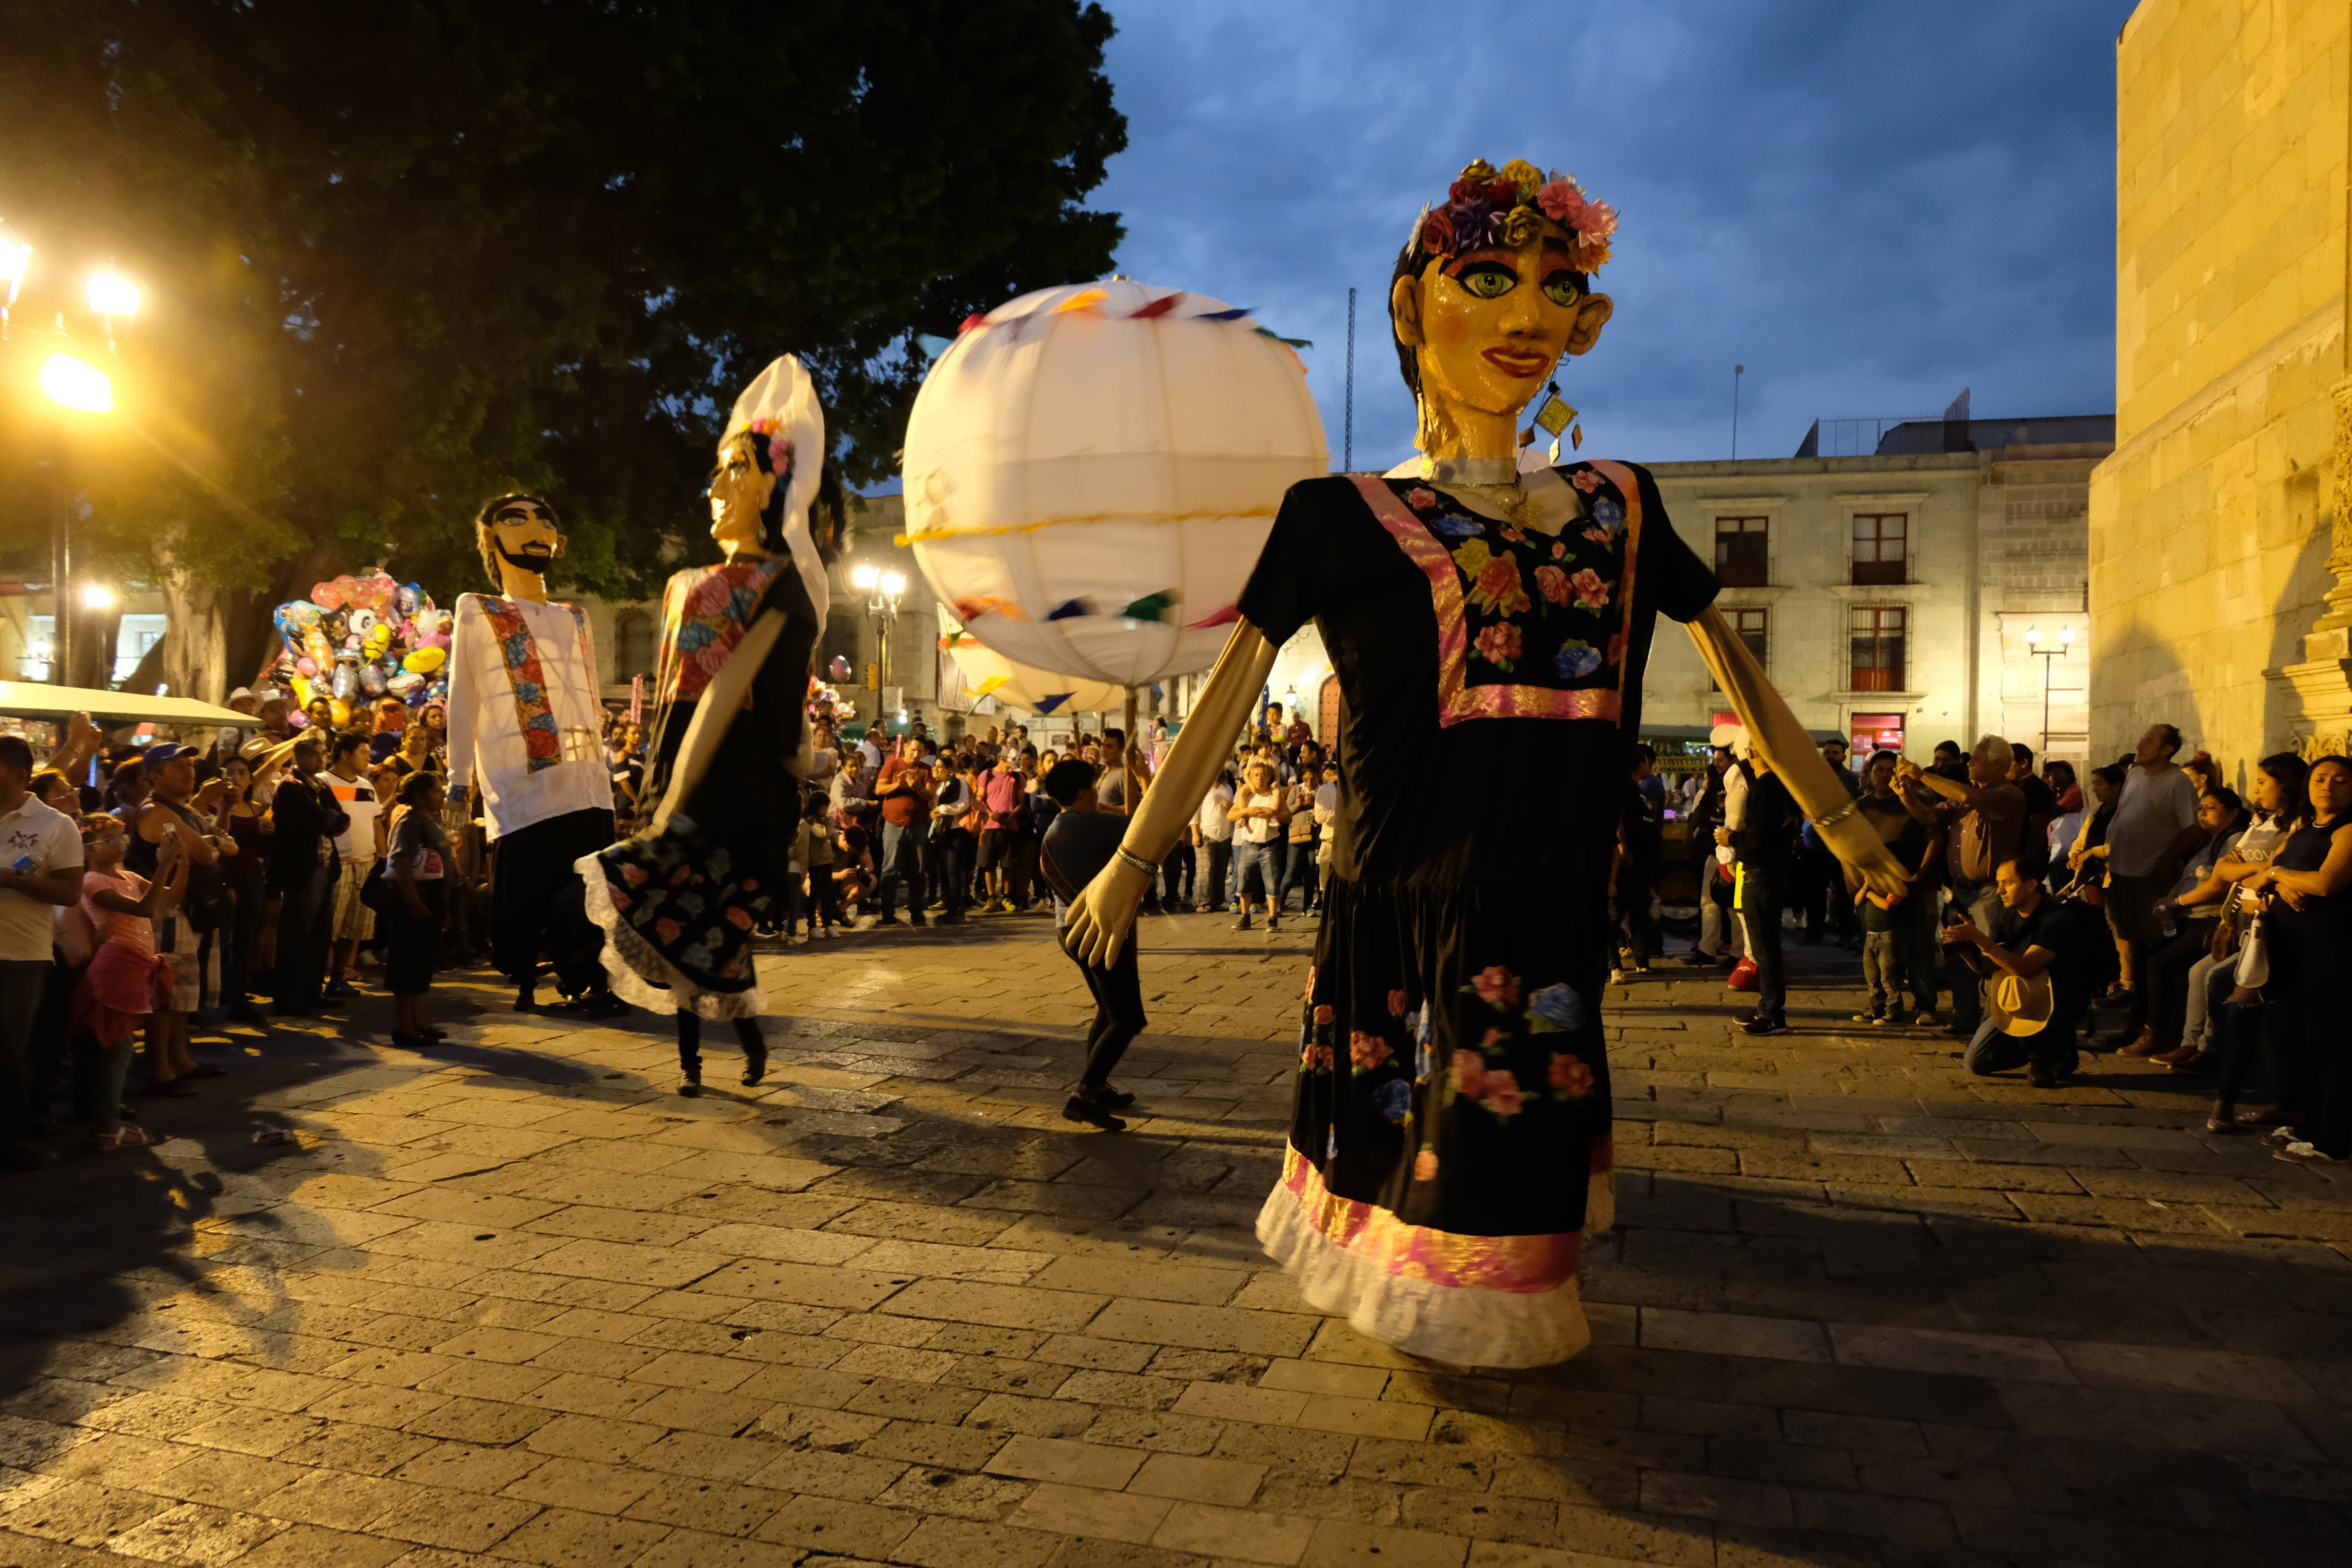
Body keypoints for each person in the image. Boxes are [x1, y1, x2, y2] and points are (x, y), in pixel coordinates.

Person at [1058, 157, 1905, 1367]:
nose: (1527, 319)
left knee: (1504, 1173)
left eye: (1556, 288)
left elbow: (1727, 657)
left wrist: (1838, 817)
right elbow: (1236, 684)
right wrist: (1135, 858)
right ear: (1414, 308)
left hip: (1546, 898)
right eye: (1488, 278)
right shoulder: (1333, 516)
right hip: (1397, 893)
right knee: (1413, 1165)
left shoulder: (1617, 504)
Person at [581, 355, 839, 1096]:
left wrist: (800, 763)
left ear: (770, 484)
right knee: (676, 928)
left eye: (734, 470)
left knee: (712, 930)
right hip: (673, 772)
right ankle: (695, 1060)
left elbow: (749, 694)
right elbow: (673, 696)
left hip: (732, 786)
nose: (716, 486)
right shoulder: (679, 584)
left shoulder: (779, 583)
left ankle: (747, 1046)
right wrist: (659, 786)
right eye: (718, 470)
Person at [446, 492, 622, 1016]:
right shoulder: (477, 608)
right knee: (526, 892)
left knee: (593, 891)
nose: (536, 528)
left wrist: (605, 767)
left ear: (559, 541)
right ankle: (525, 978)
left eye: (545, 519)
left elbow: (589, 697)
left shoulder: (577, 617)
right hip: (521, 786)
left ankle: (591, 979)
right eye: (516, 519)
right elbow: (464, 697)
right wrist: (460, 779)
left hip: (587, 781)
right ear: (491, 538)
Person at [2243, 755, 2352, 1165]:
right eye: (2321, 778)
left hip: (2329, 950)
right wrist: (2279, 878)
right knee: (2300, 1041)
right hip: (2288, 948)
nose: (2329, 786)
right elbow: (2260, 876)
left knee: (2331, 1044)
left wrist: (2279, 876)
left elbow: (2325, 882)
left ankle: (2333, 1136)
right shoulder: (2304, 829)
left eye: (2340, 780)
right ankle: (2309, 1120)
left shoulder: (2347, 830)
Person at [1037, 760, 1145, 1131]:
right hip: (1094, 929)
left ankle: (1096, 1086)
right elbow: (1150, 823)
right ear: (1084, 792)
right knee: (1127, 1018)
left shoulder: (1059, 826)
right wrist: (1144, 776)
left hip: (1070, 928)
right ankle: (1084, 1094)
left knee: (1108, 1010)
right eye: (1095, 786)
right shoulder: (1090, 824)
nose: (1099, 792)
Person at [1896, 736, 2026, 1037]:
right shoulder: (1962, 797)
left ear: (1996, 764)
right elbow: (1930, 817)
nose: (1969, 763)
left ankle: (1996, 1022)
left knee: (1990, 954)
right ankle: (1964, 1017)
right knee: (1958, 953)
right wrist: (1907, 796)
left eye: (1975, 759)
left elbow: (1972, 799)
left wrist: (1923, 775)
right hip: (1959, 889)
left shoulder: (2007, 794)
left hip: (1991, 891)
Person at [0, 734, 86, 1172]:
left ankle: (11, 1137)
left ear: (18, 775)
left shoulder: (55, 825)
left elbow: (71, 892)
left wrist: (14, 880)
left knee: (10, 1047)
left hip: (21, 953)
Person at [75, 814, 185, 1151]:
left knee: (117, 1048)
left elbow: (169, 898)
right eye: (110, 840)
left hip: (133, 966)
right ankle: (108, 1128)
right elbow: (144, 909)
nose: (120, 844)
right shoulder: (92, 881)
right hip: (116, 964)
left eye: (121, 837)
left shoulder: (129, 876)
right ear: (90, 849)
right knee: (117, 1049)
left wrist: (181, 863)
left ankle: (107, 1121)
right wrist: (164, 866)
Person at [127, 742, 230, 1094]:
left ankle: (179, 1057)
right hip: (167, 911)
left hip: (189, 909)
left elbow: (218, 842)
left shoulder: (181, 809)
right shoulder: (156, 811)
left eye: (190, 764)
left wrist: (215, 837)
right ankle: (159, 1067)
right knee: (167, 992)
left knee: (185, 990)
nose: (189, 770)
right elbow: (206, 851)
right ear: (154, 775)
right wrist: (213, 842)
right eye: (178, 766)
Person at [2100, 723, 2204, 1044]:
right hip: (2121, 874)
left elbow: (2194, 827)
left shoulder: (2178, 782)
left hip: (2152, 880)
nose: (2140, 744)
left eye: (2149, 741)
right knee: (2130, 945)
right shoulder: (2134, 775)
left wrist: (2166, 858)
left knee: (2156, 948)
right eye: (2142, 738)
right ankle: (2134, 1022)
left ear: (2167, 750)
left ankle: (2155, 1027)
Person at [1947, 858, 2091, 1088]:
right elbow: (1990, 966)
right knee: (1978, 1062)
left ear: (2031, 885)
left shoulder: (2056, 918)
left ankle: (2048, 1052)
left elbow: (2026, 968)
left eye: (2008, 883)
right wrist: (1962, 945)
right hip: (2014, 993)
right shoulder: (2007, 914)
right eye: (1998, 883)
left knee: (2011, 991)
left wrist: (1979, 939)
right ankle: (2037, 1047)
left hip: (2055, 996)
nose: (2001, 890)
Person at [2125, 786, 2244, 1063]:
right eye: (2200, 808)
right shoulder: (2205, 842)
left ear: (2233, 814)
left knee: (2161, 963)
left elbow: (2218, 885)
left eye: (2211, 808)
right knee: (2148, 952)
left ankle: (2158, 1033)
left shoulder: (2233, 841)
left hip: (2210, 922)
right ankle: (2140, 1026)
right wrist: (2168, 900)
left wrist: (2178, 902)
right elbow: (2188, 878)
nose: (2203, 813)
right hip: (2185, 919)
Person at [1851, 749, 1940, 1026]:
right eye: (1880, 770)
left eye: (1892, 770)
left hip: (1913, 887)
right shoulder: (1863, 806)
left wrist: (1921, 874)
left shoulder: (1916, 801)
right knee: (1876, 952)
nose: (1886, 775)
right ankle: (1882, 1007)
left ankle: (1925, 1006)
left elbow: (1934, 837)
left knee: (1918, 948)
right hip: (1875, 891)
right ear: (1869, 774)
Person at [264, 732, 344, 1016]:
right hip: (303, 869)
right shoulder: (290, 787)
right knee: (296, 934)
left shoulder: (321, 785)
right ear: (298, 757)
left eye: (322, 753)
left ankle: (312, 991)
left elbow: (340, 818)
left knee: (321, 934)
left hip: (324, 865)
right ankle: (287, 997)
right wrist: (327, 818)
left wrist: (328, 819)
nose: (319, 758)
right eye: (313, 754)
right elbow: (320, 818)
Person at [1720, 750, 1795, 1035]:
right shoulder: (1780, 784)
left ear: (1751, 751)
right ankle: (1769, 1006)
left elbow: (1757, 838)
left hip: (1761, 873)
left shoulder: (1766, 786)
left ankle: (1772, 1012)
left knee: (1764, 947)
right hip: (1770, 873)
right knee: (1766, 946)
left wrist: (1730, 838)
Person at [382, 771, 453, 1049]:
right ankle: (405, 1027)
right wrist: (413, 902)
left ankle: (417, 1020)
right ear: (421, 795)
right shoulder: (409, 823)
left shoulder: (428, 821)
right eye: (437, 791)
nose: (442, 794)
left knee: (422, 965)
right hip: (414, 907)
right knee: (408, 965)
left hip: (432, 904)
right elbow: (401, 863)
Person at [319, 731, 380, 1003]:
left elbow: (376, 821)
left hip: (366, 864)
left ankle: (339, 977)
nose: (369, 757)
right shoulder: (322, 783)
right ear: (345, 754)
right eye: (363, 752)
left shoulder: (367, 786)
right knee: (328, 928)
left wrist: (383, 853)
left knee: (353, 929)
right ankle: (317, 978)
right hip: (337, 864)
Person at [874, 735, 934, 927]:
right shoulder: (893, 764)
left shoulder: (926, 770)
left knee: (918, 870)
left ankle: (917, 912)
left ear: (925, 752)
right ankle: (887, 912)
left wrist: (917, 787)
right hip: (893, 824)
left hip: (918, 826)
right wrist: (898, 785)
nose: (916, 754)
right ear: (906, 747)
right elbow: (879, 789)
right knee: (890, 870)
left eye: (920, 751)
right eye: (913, 749)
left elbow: (929, 794)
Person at [1228, 757, 1286, 933]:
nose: (1260, 778)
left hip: (1269, 846)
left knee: (1271, 883)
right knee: (1244, 882)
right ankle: (1245, 917)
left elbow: (1288, 817)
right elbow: (1231, 816)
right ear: (1251, 778)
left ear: (1269, 777)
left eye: (1263, 775)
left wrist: (1273, 813)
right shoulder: (1246, 795)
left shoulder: (1275, 796)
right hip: (1248, 845)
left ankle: (1272, 920)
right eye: (1256, 775)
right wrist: (1247, 811)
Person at [928, 753, 974, 924]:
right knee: (945, 872)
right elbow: (934, 806)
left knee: (954, 870)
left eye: (940, 767)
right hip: (942, 832)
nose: (937, 770)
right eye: (936, 766)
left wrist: (942, 809)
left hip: (956, 831)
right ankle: (949, 903)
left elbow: (963, 804)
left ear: (949, 769)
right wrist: (933, 812)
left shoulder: (958, 782)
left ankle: (955, 908)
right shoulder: (939, 786)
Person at [2010, 742, 2057, 879]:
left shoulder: (2037, 789)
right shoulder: (2012, 786)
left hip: (2026, 857)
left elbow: (2037, 828)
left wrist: (2028, 862)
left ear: (2023, 763)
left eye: (2008, 763)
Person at [1196, 767, 1236, 915]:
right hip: (1206, 831)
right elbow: (1195, 811)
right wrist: (1195, 832)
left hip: (1224, 833)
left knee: (1221, 868)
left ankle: (1217, 900)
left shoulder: (1228, 787)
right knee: (1205, 869)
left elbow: (1233, 808)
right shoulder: (1202, 787)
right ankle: (1202, 901)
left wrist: (1230, 807)